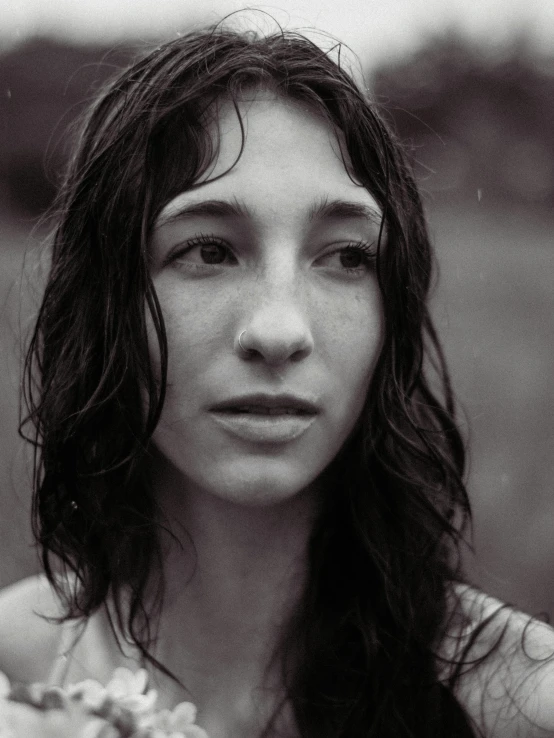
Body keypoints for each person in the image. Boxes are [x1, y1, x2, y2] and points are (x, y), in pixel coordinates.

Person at [0, 20, 553, 738]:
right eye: (208, 250)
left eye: (348, 257)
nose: (280, 330)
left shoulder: (518, 704)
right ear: (105, 301)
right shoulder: (19, 674)